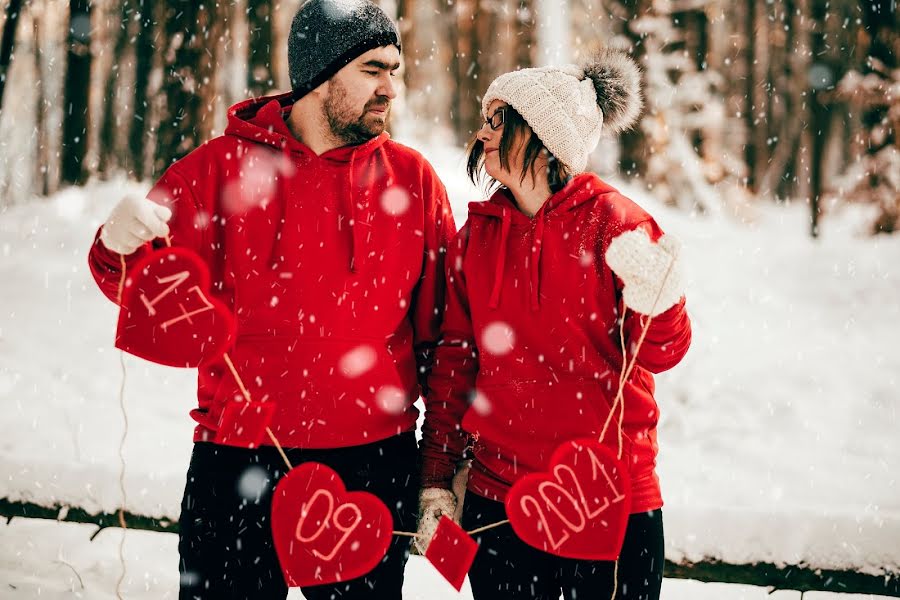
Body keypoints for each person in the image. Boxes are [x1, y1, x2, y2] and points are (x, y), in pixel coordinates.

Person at [88, 1, 456, 598]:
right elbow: (141, 287)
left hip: (371, 468)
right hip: (236, 462)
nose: (391, 87)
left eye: (395, 68)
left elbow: (445, 337)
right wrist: (116, 245)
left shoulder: (413, 182)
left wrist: (437, 467)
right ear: (318, 76)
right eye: (373, 69)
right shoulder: (217, 170)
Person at [417, 50, 692, 600]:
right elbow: (455, 369)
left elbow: (661, 353)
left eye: (499, 120)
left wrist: (664, 302)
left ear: (542, 135)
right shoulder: (477, 239)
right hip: (501, 505)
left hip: (608, 501)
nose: (483, 132)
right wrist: (436, 479)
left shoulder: (620, 226)